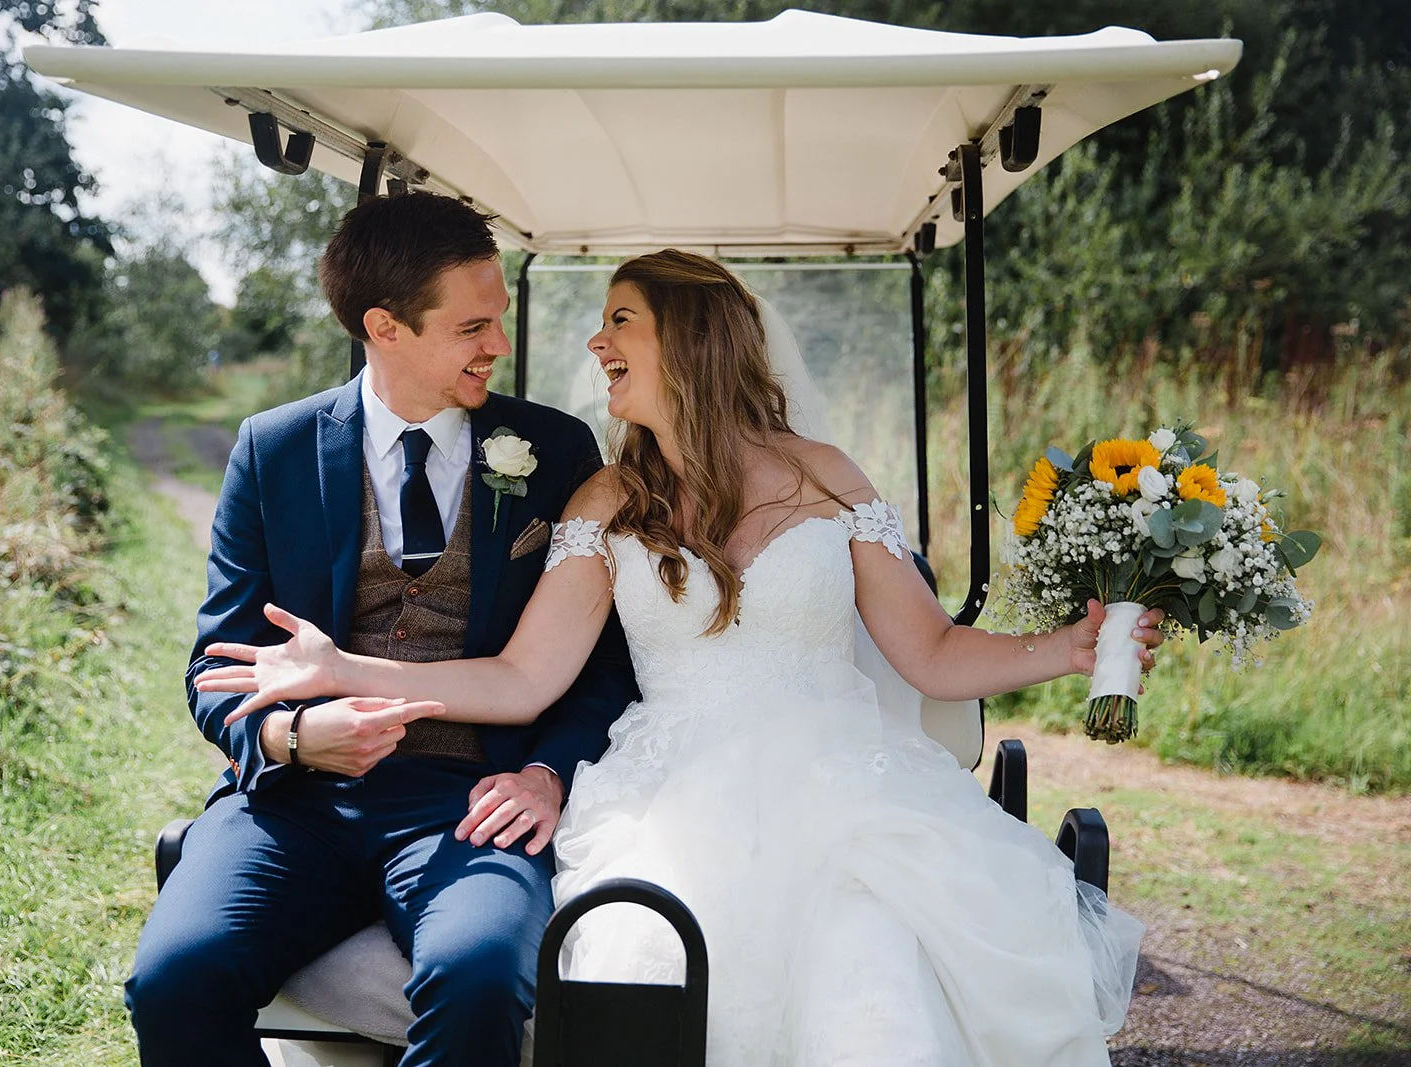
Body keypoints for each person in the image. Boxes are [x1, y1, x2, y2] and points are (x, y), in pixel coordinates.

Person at [197, 250, 1166, 1066]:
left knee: (871, 994)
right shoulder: (605, 500)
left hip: (845, 798)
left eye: (621, 319)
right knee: (638, 970)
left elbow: (933, 652)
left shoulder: (827, 476)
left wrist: (1072, 648)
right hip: (670, 797)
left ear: (692, 342)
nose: (596, 342)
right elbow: (521, 677)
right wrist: (343, 669)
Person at [124, 191, 639, 1067]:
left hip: (474, 798)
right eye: (474, 326)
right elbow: (216, 666)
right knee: (173, 978)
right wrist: (292, 736)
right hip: (296, 805)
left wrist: (549, 772)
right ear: (384, 327)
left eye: (499, 320)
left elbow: (605, 662)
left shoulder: (556, 450)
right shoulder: (272, 448)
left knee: (477, 978)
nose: (499, 348)